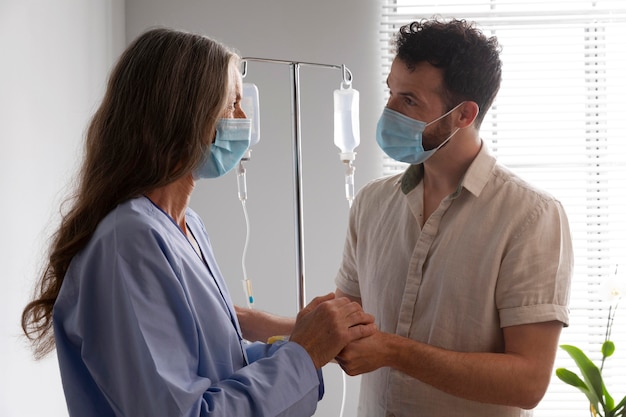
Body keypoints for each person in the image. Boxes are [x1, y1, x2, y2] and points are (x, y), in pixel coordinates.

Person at [20, 27, 376, 417]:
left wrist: (306, 342)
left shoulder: (187, 228)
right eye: (232, 104)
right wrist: (302, 355)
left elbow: (222, 364)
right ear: (183, 114)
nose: (243, 120)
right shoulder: (129, 240)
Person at [236, 18, 574, 417]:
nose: (389, 111)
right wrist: (239, 318)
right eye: (391, 93)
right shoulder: (372, 204)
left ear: (463, 115)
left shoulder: (530, 217)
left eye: (409, 100)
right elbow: (336, 332)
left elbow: (528, 383)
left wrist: (394, 352)